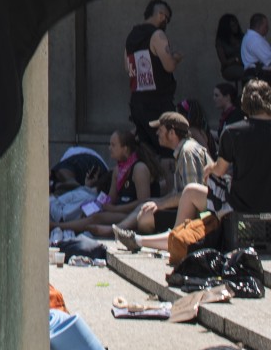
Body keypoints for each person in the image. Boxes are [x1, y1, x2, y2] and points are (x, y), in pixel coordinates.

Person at [115, 80, 271, 253]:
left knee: (190, 191)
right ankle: (148, 240)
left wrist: (210, 168)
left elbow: (220, 170)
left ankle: (163, 240)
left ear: (245, 102)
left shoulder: (233, 132)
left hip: (240, 206)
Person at [111, 111, 208, 237]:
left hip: (198, 216)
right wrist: (157, 201)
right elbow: (178, 192)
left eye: (160, 130)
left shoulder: (188, 152)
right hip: (187, 209)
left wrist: (160, 204)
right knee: (146, 204)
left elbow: (189, 195)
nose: (157, 134)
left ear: (172, 133)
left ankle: (119, 231)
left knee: (145, 218)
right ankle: (118, 230)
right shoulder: (182, 151)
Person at [49, 130, 162, 236]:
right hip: (119, 210)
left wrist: (114, 209)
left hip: (134, 214)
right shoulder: (118, 170)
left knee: (97, 218)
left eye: (113, 145)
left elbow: (143, 202)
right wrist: (95, 206)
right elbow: (111, 198)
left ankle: (56, 226)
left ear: (125, 149)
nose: (109, 148)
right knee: (89, 213)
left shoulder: (139, 168)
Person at [125, 0, 182, 154]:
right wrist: (176, 57)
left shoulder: (131, 38)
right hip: (158, 104)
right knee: (167, 152)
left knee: (147, 154)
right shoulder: (157, 35)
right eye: (167, 18)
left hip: (137, 103)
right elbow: (169, 66)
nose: (166, 22)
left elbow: (128, 67)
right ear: (161, 15)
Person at [216, 13, 244, 83]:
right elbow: (224, 62)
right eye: (233, 26)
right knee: (245, 73)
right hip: (229, 67)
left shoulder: (242, 37)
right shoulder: (221, 41)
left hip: (244, 64)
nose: (236, 27)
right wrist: (236, 59)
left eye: (236, 24)